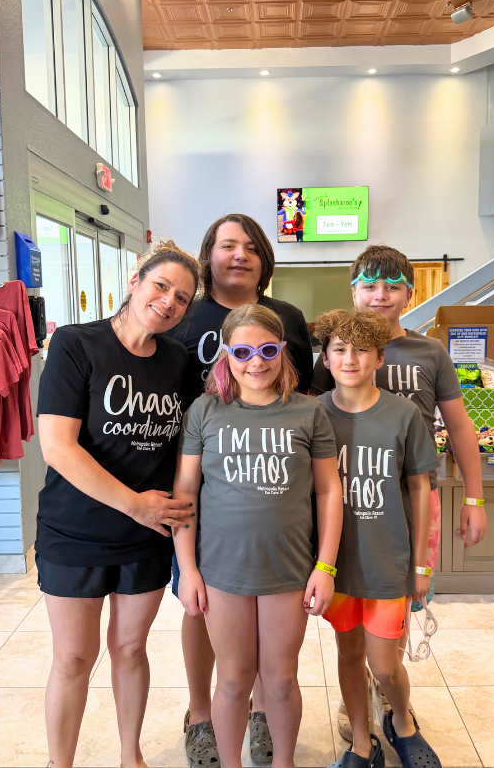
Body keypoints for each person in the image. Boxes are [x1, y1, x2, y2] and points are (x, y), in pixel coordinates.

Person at [35, 242, 199, 768]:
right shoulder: (76, 344)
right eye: (161, 286)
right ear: (135, 281)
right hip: (75, 530)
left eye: (182, 298)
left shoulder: (178, 361)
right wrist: (135, 504)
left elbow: (188, 443)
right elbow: (58, 447)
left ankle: (132, 755)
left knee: (130, 649)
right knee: (74, 658)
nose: (169, 301)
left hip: (145, 536)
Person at [311, 245, 485, 736]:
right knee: (351, 614)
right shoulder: (335, 349)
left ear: (411, 292)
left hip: (413, 500)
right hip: (346, 501)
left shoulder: (430, 353)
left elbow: (461, 428)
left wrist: (474, 497)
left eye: (392, 286)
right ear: (353, 290)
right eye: (369, 284)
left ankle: (390, 692)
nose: (380, 295)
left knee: (395, 610)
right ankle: (359, 699)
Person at [164, 214, 314, 766]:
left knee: (274, 667)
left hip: (274, 500)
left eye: (252, 247)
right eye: (228, 246)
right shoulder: (186, 315)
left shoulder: (291, 319)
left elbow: (310, 400)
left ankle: (262, 714)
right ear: (209, 255)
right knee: (199, 605)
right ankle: (202, 715)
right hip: (206, 491)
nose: (240, 255)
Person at [172, 304, 343, 768]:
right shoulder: (205, 411)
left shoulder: (308, 412)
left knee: (281, 678)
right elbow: (185, 493)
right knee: (232, 678)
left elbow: (330, 492)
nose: (257, 361)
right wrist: (187, 569)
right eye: (243, 351)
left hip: (288, 570)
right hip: (223, 572)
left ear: (283, 352)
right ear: (226, 354)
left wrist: (325, 566)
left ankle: (282, 763)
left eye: (268, 349)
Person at [313, 307, 442, 768]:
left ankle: (402, 721)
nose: (350, 359)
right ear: (325, 359)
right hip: (337, 565)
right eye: (339, 350)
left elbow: (420, 487)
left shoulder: (403, 414)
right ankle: (362, 745)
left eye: (361, 350)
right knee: (348, 654)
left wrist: (422, 564)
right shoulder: (313, 414)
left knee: (385, 665)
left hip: (389, 562)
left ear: (379, 358)